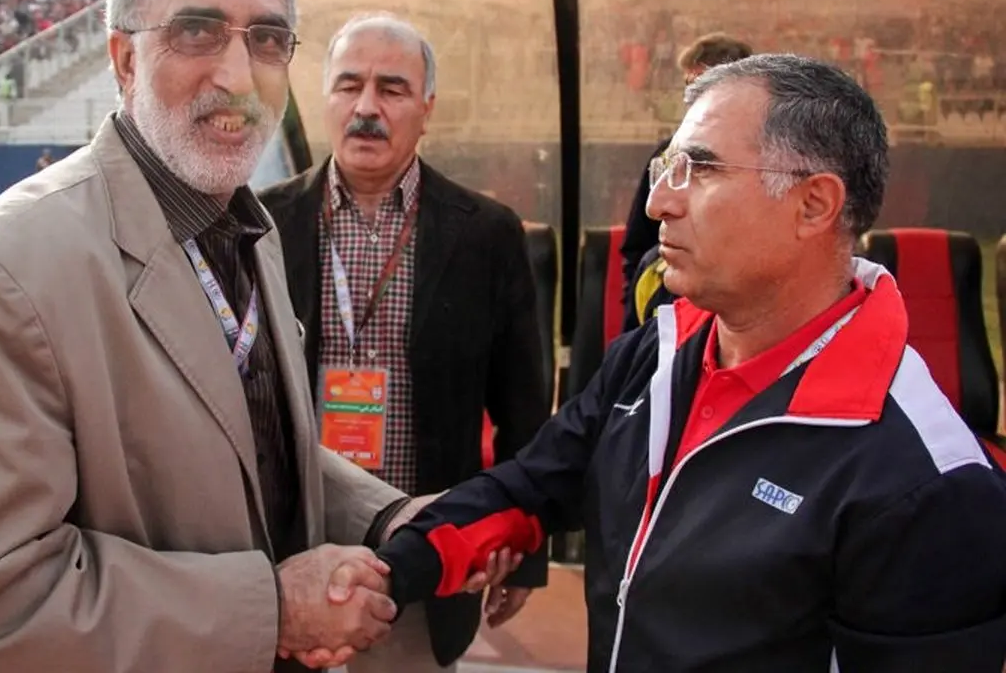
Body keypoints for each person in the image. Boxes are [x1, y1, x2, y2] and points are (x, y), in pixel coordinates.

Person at [0, 0, 430, 673]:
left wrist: (386, 517)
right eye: (196, 32)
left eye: (266, 39)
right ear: (124, 59)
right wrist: (271, 611)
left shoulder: (248, 230)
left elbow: (249, 450)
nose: (238, 76)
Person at [372, 55, 1006, 671]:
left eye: (700, 169)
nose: (658, 203)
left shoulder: (928, 484)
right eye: (666, 168)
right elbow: (535, 486)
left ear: (814, 205)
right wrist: (388, 575)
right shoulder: (657, 353)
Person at [258, 12, 551, 671]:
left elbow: (523, 411)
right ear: (325, 99)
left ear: (427, 108)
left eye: (391, 89)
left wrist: (526, 548)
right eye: (349, 85)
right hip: (286, 552)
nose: (366, 107)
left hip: (418, 554)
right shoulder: (261, 224)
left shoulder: (486, 234)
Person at [619, 32, 753, 332]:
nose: (692, 98)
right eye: (688, 86)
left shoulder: (765, 160)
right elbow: (637, 246)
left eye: (703, 87)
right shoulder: (665, 155)